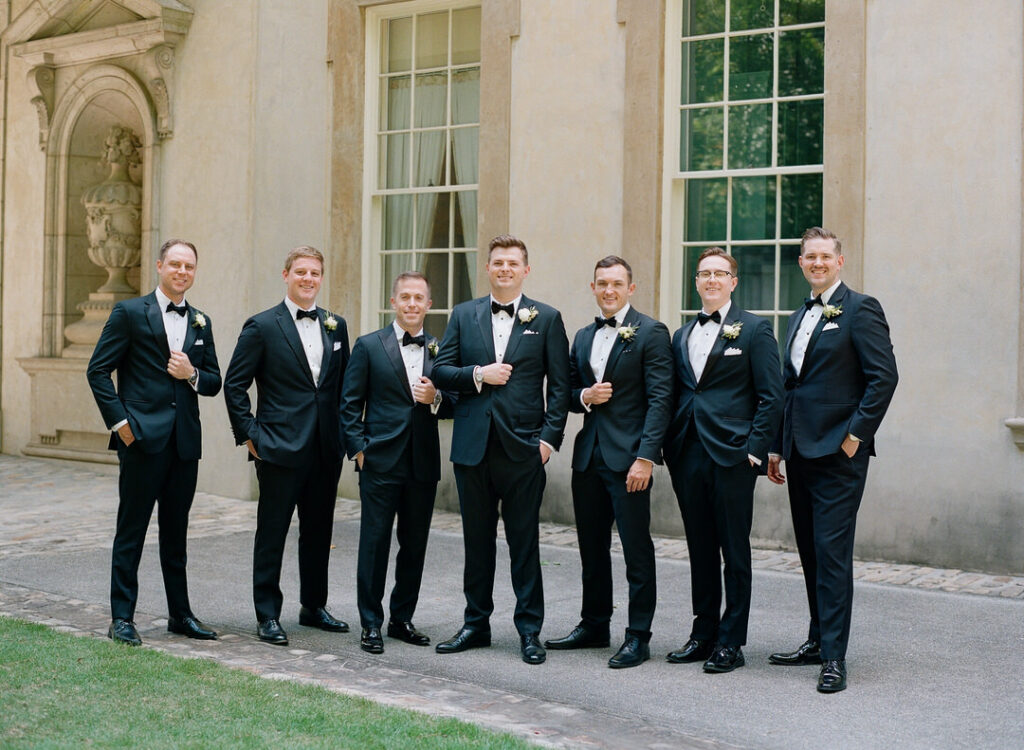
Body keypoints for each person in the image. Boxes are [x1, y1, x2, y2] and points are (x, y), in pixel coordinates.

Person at [766, 227, 898, 693]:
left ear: (840, 261)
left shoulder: (862, 309)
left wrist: (855, 437)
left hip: (839, 455)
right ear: (801, 263)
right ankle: (818, 640)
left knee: (833, 555)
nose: (817, 263)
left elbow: (884, 378)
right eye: (809, 257)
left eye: (825, 256)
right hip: (800, 451)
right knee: (810, 552)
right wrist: (778, 444)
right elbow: (790, 385)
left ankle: (835, 659)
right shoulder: (797, 315)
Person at [431, 234, 570, 665]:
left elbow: (561, 387)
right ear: (487, 269)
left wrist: (548, 441)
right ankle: (476, 624)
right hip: (472, 448)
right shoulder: (463, 314)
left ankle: (530, 631)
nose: (505, 268)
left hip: (524, 449)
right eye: (497, 262)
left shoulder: (546, 318)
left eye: (513, 263)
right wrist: (478, 374)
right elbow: (440, 369)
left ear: (525, 270)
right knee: (477, 542)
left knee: (524, 542)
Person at [86, 238, 222, 646]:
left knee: (176, 533)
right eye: (176, 264)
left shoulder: (201, 321)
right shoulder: (129, 312)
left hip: (184, 445)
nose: (183, 272)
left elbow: (214, 381)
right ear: (160, 265)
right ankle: (122, 618)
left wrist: (191, 374)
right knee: (131, 530)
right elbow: (97, 371)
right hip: (141, 439)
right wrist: (121, 424)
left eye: (190, 267)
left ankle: (180, 615)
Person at [544, 256, 672, 668]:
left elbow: (660, 400)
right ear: (593, 287)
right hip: (589, 458)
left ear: (630, 288)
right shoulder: (582, 336)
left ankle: (639, 635)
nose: (609, 290)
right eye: (602, 283)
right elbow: (564, 394)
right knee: (591, 548)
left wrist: (646, 458)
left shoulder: (652, 333)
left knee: (637, 549)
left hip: (630, 459)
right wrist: (585, 397)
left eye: (617, 283)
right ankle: (595, 624)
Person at [663, 247, 783, 673]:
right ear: (696, 282)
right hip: (686, 452)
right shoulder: (681, 335)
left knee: (734, 550)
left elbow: (773, 395)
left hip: (733, 456)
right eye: (704, 274)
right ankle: (703, 632)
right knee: (698, 547)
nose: (711, 280)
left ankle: (731, 642)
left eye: (720, 273)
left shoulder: (754, 330)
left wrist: (755, 450)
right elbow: (679, 393)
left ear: (733, 282)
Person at [223, 245, 350, 646]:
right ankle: (267, 614)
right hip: (277, 447)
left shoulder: (336, 325)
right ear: (286, 275)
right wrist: (250, 436)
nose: (308, 279)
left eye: (314, 273)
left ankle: (313, 606)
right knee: (272, 532)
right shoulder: (262, 326)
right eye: (300, 272)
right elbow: (234, 385)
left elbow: (343, 387)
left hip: (325, 449)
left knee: (318, 531)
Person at [340, 271, 454, 654]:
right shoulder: (369, 346)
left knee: (415, 545)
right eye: (405, 297)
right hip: (379, 461)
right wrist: (360, 450)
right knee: (374, 543)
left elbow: (454, 403)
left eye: (419, 298)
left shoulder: (441, 349)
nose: (411, 304)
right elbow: (349, 404)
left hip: (422, 463)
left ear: (428, 304)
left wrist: (435, 398)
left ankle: (401, 619)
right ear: (393, 302)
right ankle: (370, 623)